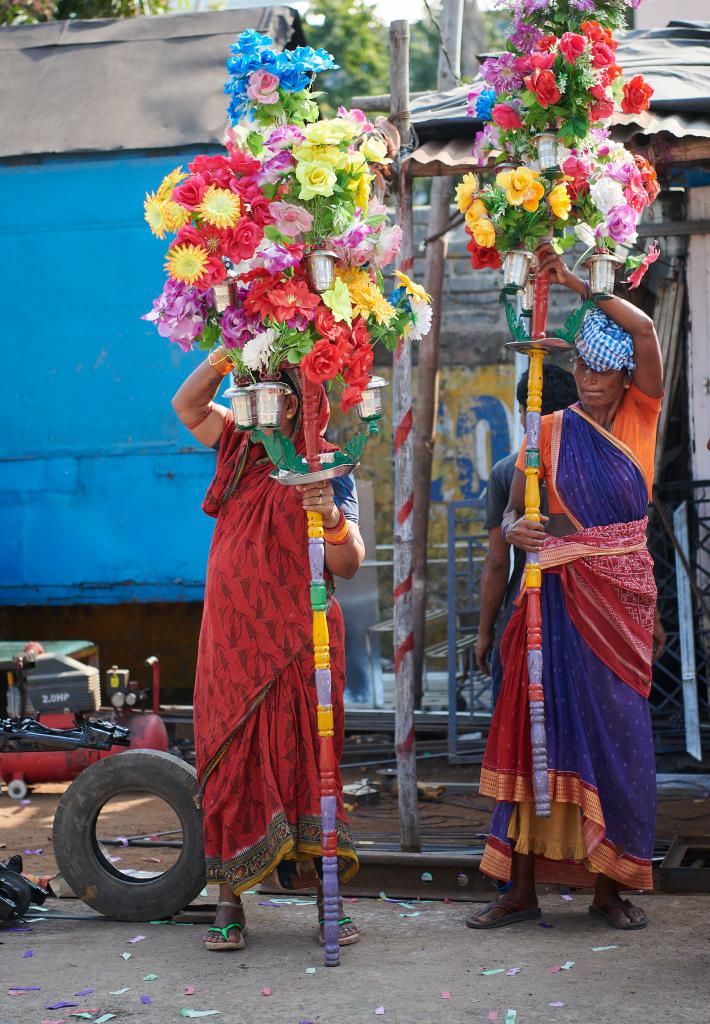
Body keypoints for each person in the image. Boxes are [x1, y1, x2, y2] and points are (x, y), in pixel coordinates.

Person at [467, 245, 663, 932]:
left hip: (619, 605)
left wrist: (575, 282)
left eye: (600, 370)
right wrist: (524, 532)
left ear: (624, 379)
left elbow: (643, 331)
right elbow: (524, 526)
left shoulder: (641, 420)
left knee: (620, 740)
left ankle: (611, 890)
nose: (587, 379)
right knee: (532, 736)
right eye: (579, 366)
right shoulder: (545, 434)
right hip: (549, 602)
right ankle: (519, 889)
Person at [171, 345, 365, 951]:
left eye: (271, 393)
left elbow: (349, 563)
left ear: (300, 402)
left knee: (308, 757)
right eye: (247, 393)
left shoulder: (326, 462)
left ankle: (326, 899)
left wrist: (330, 513)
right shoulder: (233, 448)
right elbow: (186, 403)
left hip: (300, 638)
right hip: (231, 638)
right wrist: (229, 350)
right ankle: (228, 901)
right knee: (232, 758)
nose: (255, 405)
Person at [476, 365, 578, 709]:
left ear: (524, 413)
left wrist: (485, 631)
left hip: (526, 610)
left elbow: (496, 562)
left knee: (520, 713)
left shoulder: (505, 472)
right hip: (586, 611)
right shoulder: (597, 465)